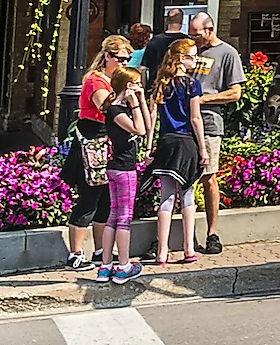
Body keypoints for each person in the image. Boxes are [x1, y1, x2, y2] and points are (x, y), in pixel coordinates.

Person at [65, 35, 132, 271]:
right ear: (108, 56)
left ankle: (101, 248)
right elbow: (107, 108)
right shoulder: (96, 81)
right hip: (92, 141)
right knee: (89, 198)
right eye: (121, 59)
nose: (124, 63)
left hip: (108, 142)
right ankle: (75, 252)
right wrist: (125, 98)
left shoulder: (116, 81)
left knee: (106, 199)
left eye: (128, 59)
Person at [147, 38, 207, 267]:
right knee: (187, 195)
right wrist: (202, 148)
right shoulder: (192, 85)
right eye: (192, 56)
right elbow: (195, 118)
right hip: (186, 142)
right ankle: (188, 248)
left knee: (166, 197)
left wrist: (149, 144)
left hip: (166, 141)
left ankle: (161, 251)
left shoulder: (162, 83)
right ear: (182, 59)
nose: (195, 60)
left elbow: (152, 116)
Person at [188, 11, 244, 255]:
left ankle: (212, 232)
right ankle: (180, 234)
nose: (193, 38)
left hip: (210, 122)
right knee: (182, 179)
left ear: (209, 30)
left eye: (197, 34)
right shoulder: (190, 51)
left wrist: (204, 100)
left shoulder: (227, 53)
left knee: (208, 177)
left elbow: (235, 93)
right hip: (184, 123)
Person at [97, 65, 150, 283]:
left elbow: (147, 125)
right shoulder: (117, 111)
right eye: (137, 83)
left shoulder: (119, 107)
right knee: (124, 218)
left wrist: (142, 100)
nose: (140, 86)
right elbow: (139, 130)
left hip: (117, 167)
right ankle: (123, 265)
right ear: (128, 86)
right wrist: (135, 103)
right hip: (123, 168)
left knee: (114, 215)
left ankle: (105, 265)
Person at [138, 6, 187, 82]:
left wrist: (144, 88)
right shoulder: (187, 42)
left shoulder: (155, 40)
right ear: (182, 21)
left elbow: (143, 68)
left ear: (166, 21)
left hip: (156, 85)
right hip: (181, 85)